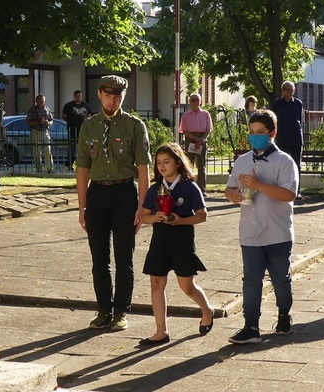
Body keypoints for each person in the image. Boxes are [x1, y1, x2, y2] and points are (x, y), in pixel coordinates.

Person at [76, 75, 151, 331]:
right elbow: (82, 169)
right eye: (108, 95)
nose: (112, 101)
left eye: (117, 96)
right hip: (97, 195)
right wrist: (82, 206)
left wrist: (143, 206)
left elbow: (143, 169)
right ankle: (103, 310)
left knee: (124, 259)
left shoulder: (134, 126)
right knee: (99, 259)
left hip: (124, 195)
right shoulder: (89, 127)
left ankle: (120, 312)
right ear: (99, 94)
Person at [225, 109, 298, 344]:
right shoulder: (243, 160)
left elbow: (288, 194)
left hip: (277, 232)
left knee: (280, 279)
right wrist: (233, 196)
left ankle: (284, 314)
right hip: (250, 231)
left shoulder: (284, 161)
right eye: (252, 132)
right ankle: (251, 326)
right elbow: (229, 188)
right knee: (251, 279)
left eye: (261, 132)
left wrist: (259, 184)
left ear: (272, 134)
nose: (255, 136)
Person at [138, 143, 213, 346]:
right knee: (156, 283)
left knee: (186, 286)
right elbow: (144, 216)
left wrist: (180, 220)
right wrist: (156, 217)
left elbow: (202, 216)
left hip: (182, 241)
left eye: (167, 162)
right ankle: (160, 331)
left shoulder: (189, 187)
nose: (162, 166)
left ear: (178, 163)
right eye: (159, 163)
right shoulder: (155, 189)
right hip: (160, 241)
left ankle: (207, 310)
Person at [271, 81, 303, 199]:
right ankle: (282, 188)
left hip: (295, 137)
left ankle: (297, 190)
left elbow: (300, 119)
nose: (290, 91)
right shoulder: (277, 103)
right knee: (282, 164)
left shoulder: (298, 103)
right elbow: (274, 120)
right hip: (283, 137)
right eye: (287, 89)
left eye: (291, 89)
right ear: (283, 91)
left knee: (296, 164)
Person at [178, 93, 213, 197]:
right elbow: (184, 130)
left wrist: (201, 139)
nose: (195, 102)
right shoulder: (185, 115)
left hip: (202, 138)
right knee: (189, 165)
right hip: (191, 138)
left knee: (201, 166)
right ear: (190, 102)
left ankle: (202, 190)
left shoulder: (206, 114)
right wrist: (196, 139)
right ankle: (189, 188)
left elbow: (209, 129)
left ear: (200, 101)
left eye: (197, 100)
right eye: (193, 100)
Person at [62, 90, 92, 166]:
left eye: (80, 96)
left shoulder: (85, 105)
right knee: (72, 147)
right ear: (74, 96)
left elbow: (89, 116)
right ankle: (69, 164)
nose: (79, 98)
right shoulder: (69, 105)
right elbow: (64, 116)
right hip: (72, 129)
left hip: (83, 130)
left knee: (83, 147)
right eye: (77, 96)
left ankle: (83, 164)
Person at [26, 94, 54, 173]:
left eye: (43, 99)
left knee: (47, 150)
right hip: (36, 131)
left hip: (45, 131)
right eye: (40, 99)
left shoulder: (47, 109)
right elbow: (28, 122)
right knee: (37, 151)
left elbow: (51, 120)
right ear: (36, 101)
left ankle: (50, 169)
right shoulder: (32, 110)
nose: (41, 101)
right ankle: (39, 169)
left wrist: (48, 123)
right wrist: (38, 121)